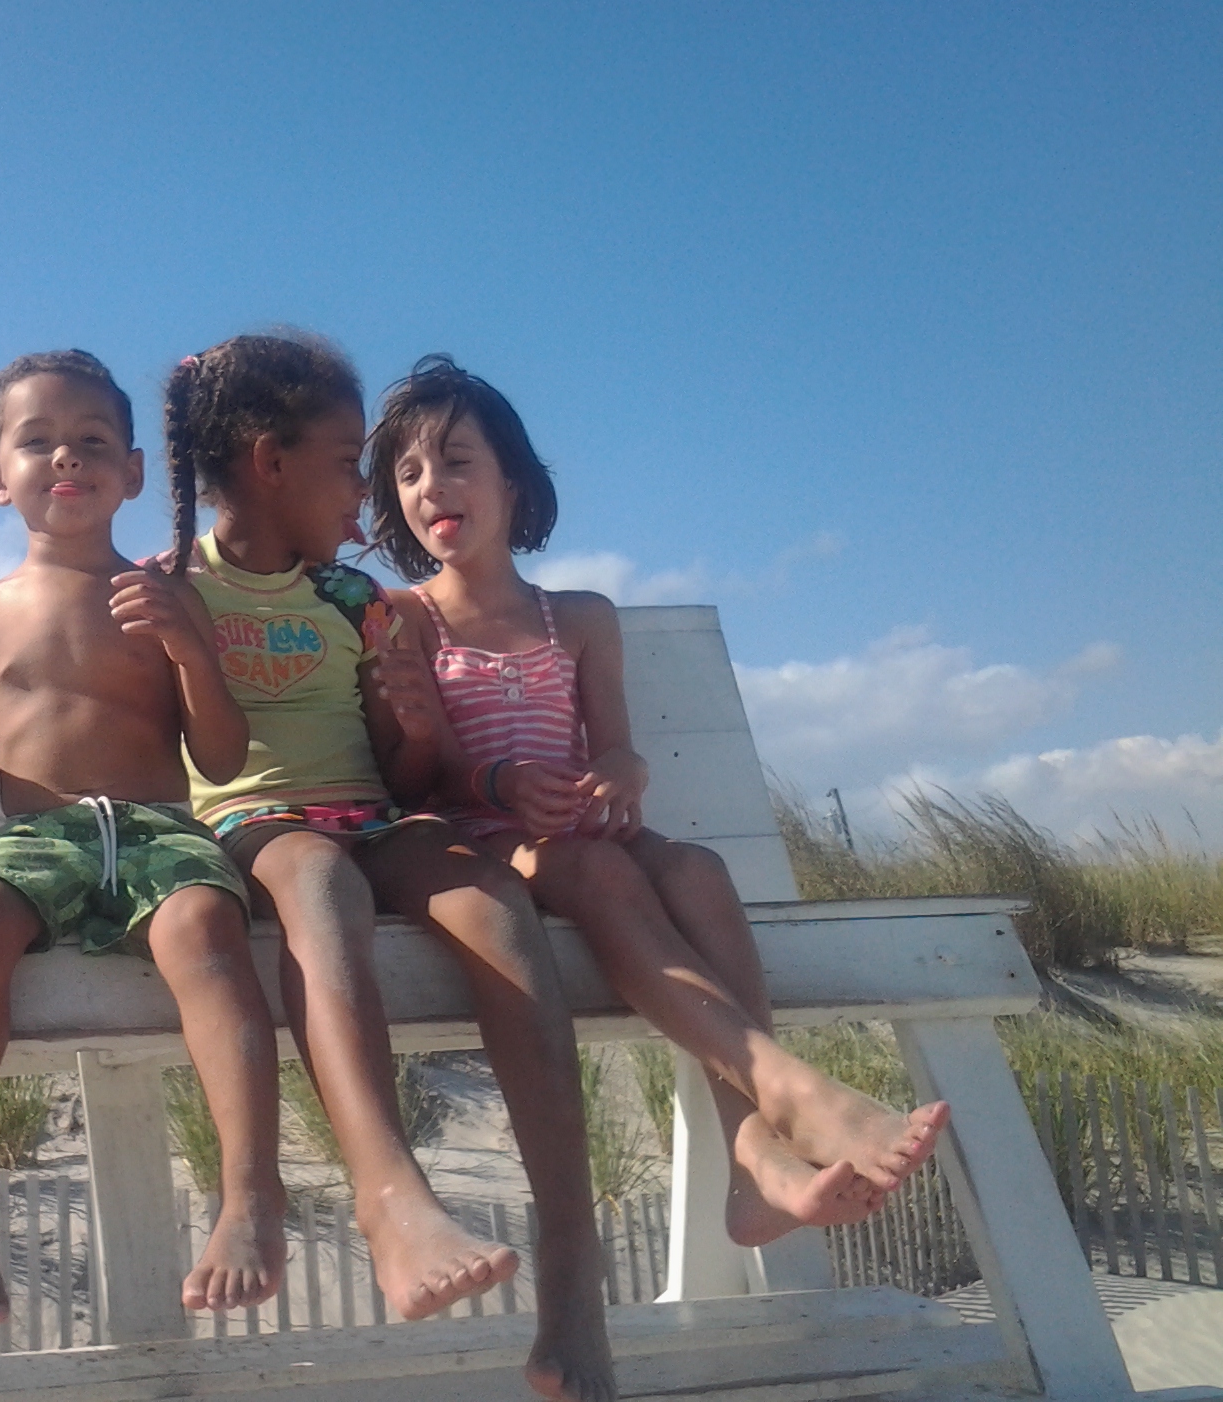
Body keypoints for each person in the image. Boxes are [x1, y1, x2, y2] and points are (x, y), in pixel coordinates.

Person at [367, 355, 950, 1245]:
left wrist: (624, 774)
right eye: (408, 473)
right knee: (598, 870)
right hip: (486, 844)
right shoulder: (405, 617)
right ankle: (788, 1089)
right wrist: (503, 783)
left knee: (699, 868)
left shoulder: (580, 616)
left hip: (580, 828)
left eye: (455, 461)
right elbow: (424, 775)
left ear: (512, 481)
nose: (430, 485)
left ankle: (753, 1162)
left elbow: (614, 743)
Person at [162, 334, 614, 1402]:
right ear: (269, 463)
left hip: (374, 816)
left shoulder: (356, 598)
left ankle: (571, 1278)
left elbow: (412, 777)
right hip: (258, 825)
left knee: (495, 904)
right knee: (322, 884)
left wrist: (410, 725)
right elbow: (169, 758)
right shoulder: (175, 590)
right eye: (343, 464)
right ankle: (386, 1192)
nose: (362, 494)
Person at [0, 349, 285, 1329]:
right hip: (38, 835)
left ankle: (248, 1195)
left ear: (134, 472)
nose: (66, 456)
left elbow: (222, 755)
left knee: (207, 930)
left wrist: (190, 650)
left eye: (92, 441)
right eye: (38, 442)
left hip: (158, 829)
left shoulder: (167, 596)